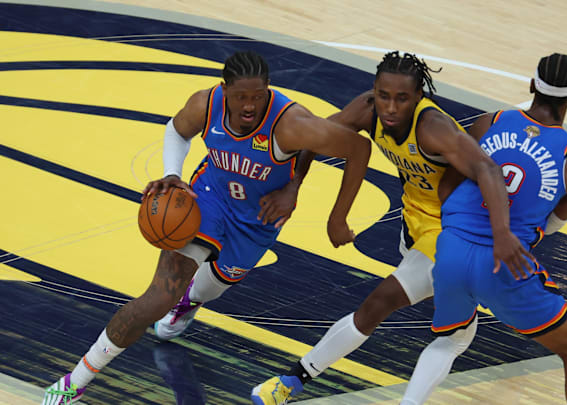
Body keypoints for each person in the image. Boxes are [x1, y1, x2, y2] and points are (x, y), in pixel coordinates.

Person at [42, 50, 371, 404]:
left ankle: (192, 299)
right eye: (241, 97)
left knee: (213, 287)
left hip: (259, 216)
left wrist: (316, 204)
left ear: (268, 90)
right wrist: (173, 174)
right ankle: (73, 383)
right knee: (157, 297)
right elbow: (176, 130)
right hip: (208, 198)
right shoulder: (205, 104)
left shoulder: (290, 124)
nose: (249, 106)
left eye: (258, 96)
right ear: (224, 89)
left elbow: (358, 148)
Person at [251, 51, 534, 405]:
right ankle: (481, 291)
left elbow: (489, 171)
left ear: (419, 97)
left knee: (380, 303)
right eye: (384, 95)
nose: (390, 107)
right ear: (373, 91)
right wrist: (294, 186)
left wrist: (502, 234)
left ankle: (291, 381)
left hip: (453, 230)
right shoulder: (367, 109)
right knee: (459, 330)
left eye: (402, 98)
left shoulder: (433, 128)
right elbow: (313, 138)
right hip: (414, 220)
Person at [398, 53, 567, 405]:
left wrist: (460, 228)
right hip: (503, 263)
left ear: (532, 85)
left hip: (451, 251)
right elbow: (553, 226)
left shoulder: (488, 123)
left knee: (451, 340)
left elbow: (447, 187)